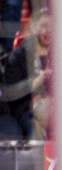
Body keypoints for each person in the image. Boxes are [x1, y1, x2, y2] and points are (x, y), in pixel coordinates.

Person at [1, 8, 51, 139]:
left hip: (57, 107)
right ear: (35, 28)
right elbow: (10, 92)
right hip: (27, 110)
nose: (48, 32)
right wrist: (36, 81)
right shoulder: (19, 55)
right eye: (44, 27)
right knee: (35, 127)